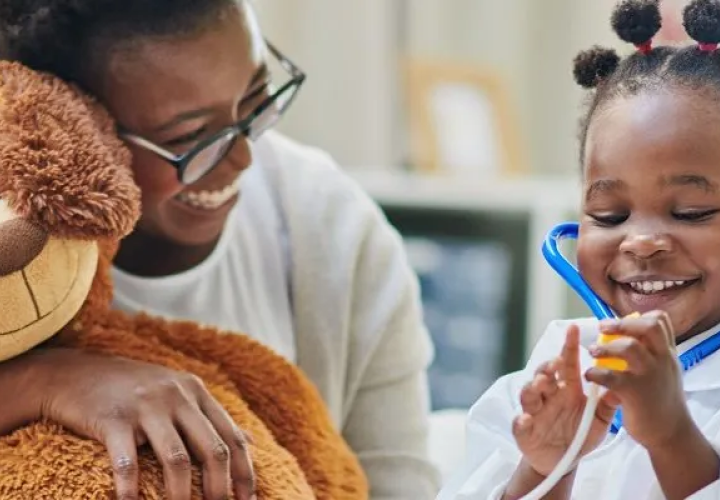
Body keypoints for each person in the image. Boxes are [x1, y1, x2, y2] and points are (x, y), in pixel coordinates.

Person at [0, 1, 441, 499]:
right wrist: (38, 383)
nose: (243, 158)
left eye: (255, 99)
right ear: (64, 118)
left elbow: (400, 487)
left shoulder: (332, 227)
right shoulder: (11, 246)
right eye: (189, 137)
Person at [436, 0, 720, 499]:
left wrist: (671, 435)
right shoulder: (551, 373)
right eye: (610, 216)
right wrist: (546, 467)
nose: (642, 241)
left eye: (691, 212)